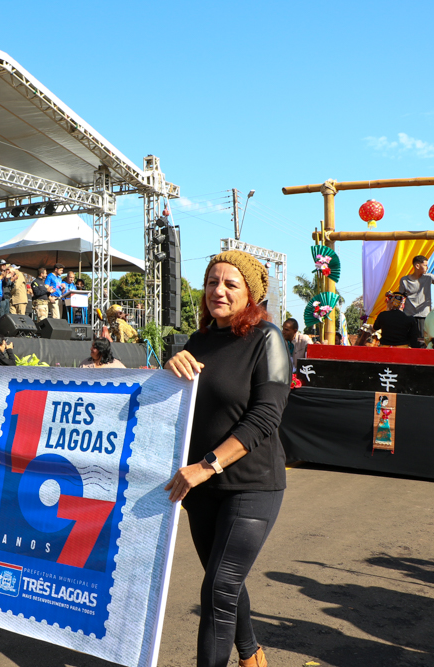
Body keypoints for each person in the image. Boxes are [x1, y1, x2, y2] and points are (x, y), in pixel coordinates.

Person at [163, 250, 289, 667]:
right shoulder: (198, 342)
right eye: (212, 282)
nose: (218, 290)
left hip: (251, 485)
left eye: (230, 284)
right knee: (224, 582)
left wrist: (207, 464)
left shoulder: (267, 339)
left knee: (218, 587)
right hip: (201, 488)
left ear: (249, 294)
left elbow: (266, 416)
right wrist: (170, 367)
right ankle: (252, 656)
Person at [399, 255, 434, 343]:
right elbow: (400, 297)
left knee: (422, 341)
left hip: (423, 316)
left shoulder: (429, 277)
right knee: (409, 341)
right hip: (408, 316)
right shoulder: (404, 280)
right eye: (425, 265)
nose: (427, 267)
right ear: (417, 266)